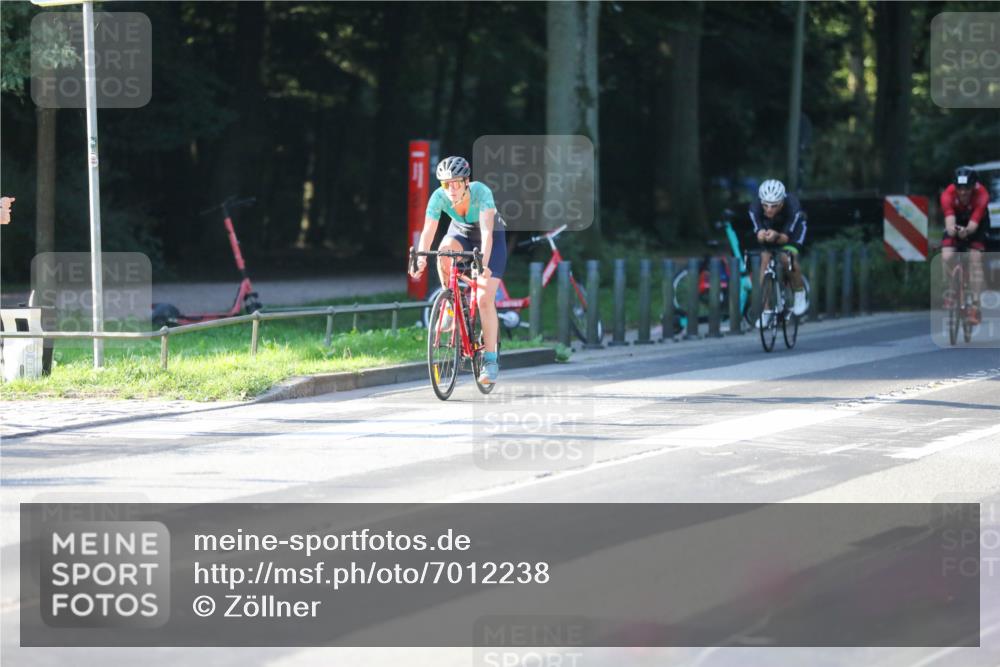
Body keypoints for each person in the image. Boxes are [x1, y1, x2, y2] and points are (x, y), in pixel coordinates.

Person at [409, 156, 507, 385]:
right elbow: (428, 232)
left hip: (490, 237)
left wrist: (482, 265)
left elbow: (486, 234)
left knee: (484, 299)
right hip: (460, 233)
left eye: (456, 183)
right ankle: (452, 303)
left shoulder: (481, 193)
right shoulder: (438, 197)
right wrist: (421, 259)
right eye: (445, 184)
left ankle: (490, 361)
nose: (451, 188)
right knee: (443, 252)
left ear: (466, 181)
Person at [748, 179, 808, 325]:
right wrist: (761, 234)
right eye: (765, 205)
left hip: (792, 231)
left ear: (781, 202)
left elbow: (784, 238)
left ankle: (800, 293)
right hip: (771, 228)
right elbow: (758, 231)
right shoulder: (754, 208)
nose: (769, 210)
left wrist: (776, 236)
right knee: (765, 261)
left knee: (787, 257)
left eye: (774, 206)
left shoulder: (793, 207)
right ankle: (766, 310)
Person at [940, 166, 990, 324]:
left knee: (975, 260)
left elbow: (974, 225)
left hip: (977, 224)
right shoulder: (947, 195)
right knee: (946, 255)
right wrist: (954, 231)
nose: (963, 192)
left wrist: (966, 231)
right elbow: (949, 223)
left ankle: (975, 306)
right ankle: (952, 289)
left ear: (974, 186)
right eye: (959, 188)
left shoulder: (982, 195)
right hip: (956, 222)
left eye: (967, 188)